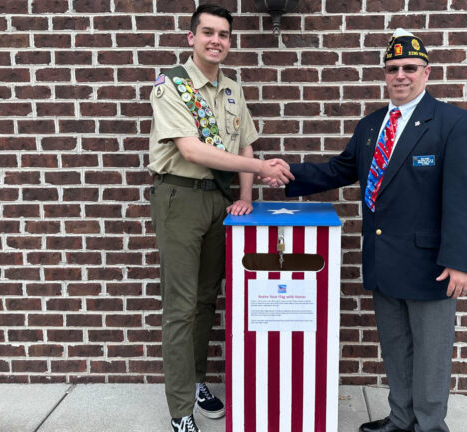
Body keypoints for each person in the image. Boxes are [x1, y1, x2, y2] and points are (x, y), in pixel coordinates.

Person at [282, 29, 467, 432]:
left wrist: (463, 262)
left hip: (433, 266)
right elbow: (339, 170)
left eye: (409, 67)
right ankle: (401, 418)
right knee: (396, 348)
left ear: (427, 72)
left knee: (431, 354)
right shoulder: (371, 126)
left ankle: (429, 426)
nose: (400, 75)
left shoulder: (453, 123)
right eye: (392, 68)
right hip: (383, 261)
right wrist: (287, 173)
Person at [147, 4, 293, 432]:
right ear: (191, 38)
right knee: (180, 306)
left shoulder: (231, 88)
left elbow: (245, 143)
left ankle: (195, 381)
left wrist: (246, 194)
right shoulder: (172, 85)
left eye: (224, 34)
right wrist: (262, 169)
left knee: (207, 297)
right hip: (180, 198)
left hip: (219, 201)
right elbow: (192, 150)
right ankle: (180, 412)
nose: (216, 41)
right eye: (208, 32)